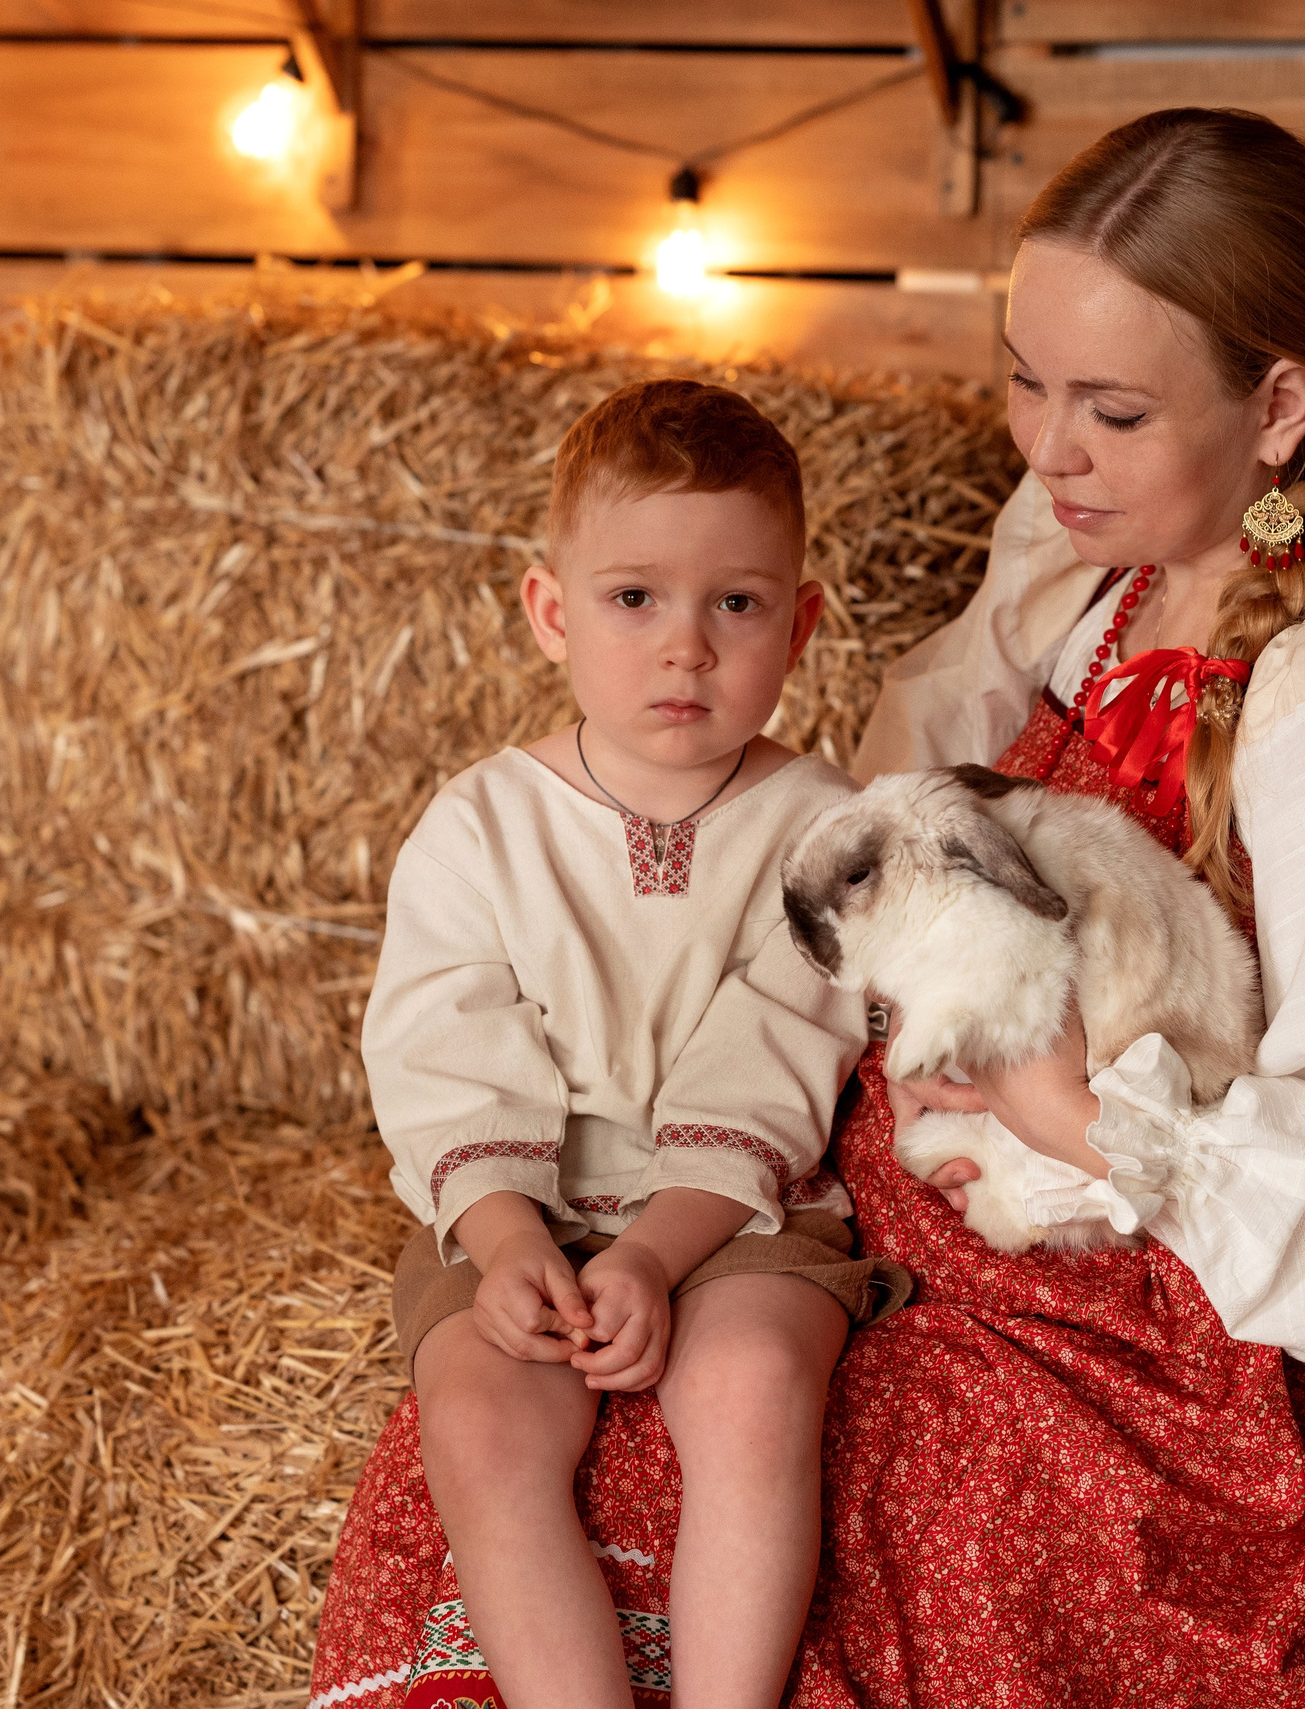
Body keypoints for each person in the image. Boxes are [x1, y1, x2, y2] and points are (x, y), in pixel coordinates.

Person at [788, 107, 1305, 1706]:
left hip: (1248, 1397)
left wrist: (1065, 1105)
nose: (1045, 445)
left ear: (1282, 405)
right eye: (1025, 376)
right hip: (1029, 1279)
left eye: (1114, 406)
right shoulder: (1104, 582)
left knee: (832, 1492)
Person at [334, 377, 905, 1709]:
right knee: (480, 1413)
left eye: (738, 604)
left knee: (757, 1382)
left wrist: (655, 1250)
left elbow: (778, 1045)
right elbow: (443, 1041)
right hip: (520, 1203)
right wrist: (509, 1239)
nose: (686, 649)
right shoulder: (481, 827)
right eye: (634, 597)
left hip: (742, 1206)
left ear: (803, 623)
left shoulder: (824, 827)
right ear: (551, 612)